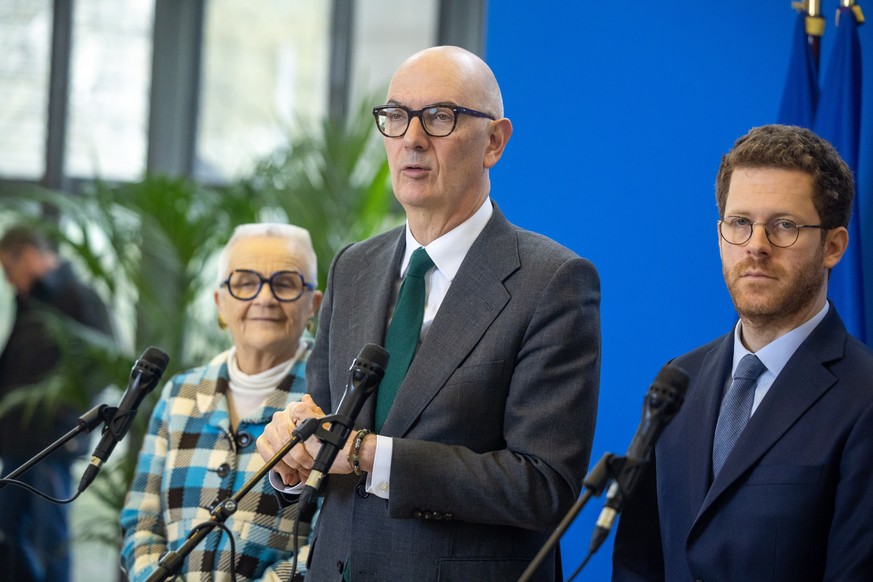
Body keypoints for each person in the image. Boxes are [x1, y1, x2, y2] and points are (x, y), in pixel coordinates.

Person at [257, 45, 601, 581]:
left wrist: (371, 454)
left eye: (440, 117)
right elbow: (323, 427)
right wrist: (290, 459)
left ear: (494, 142)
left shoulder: (551, 280)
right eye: (396, 117)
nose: (412, 138)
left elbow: (542, 485)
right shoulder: (354, 266)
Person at [612, 125, 873, 581]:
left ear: (833, 246)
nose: (756, 245)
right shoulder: (678, 381)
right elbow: (639, 560)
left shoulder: (864, 397)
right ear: (720, 234)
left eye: (784, 226)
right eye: (740, 223)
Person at [120, 223, 324, 581]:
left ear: (313, 305)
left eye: (285, 283)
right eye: (245, 282)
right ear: (220, 302)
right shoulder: (179, 395)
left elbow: (329, 543)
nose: (264, 298)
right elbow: (141, 521)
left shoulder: (330, 402)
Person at [0, 225, 114, 582]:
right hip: (16, 440)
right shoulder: (31, 299)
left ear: (30, 256)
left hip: (52, 440)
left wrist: (64, 411)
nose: (6, 279)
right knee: (9, 533)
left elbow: (107, 363)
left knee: (51, 538)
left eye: (7, 268)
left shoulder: (78, 296)